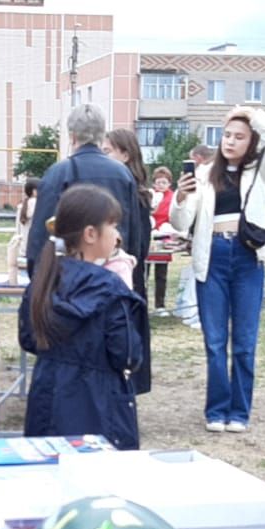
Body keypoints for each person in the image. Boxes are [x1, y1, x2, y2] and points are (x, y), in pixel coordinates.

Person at [170, 105, 265, 433]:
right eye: (226, 135)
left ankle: (240, 412)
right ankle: (216, 410)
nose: (230, 141)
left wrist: (248, 113)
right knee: (215, 340)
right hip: (214, 257)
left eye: (239, 136)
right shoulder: (205, 174)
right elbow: (180, 223)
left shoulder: (260, 171)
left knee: (246, 341)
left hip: (248, 257)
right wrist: (180, 197)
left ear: (251, 142)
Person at [27, 105, 150, 393]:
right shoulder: (122, 175)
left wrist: (39, 279)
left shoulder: (58, 173)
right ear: (101, 134)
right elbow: (134, 233)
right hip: (113, 278)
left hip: (68, 281)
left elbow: (40, 238)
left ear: (71, 135)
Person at [19, 184, 144, 450]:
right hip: (98, 403)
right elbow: (128, 354)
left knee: (48, 474)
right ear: (90, 233)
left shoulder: (43, 279)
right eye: (113, 226)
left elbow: (29, 339)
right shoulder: (111, 288)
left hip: (46, 395)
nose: (117, 235)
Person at [101, 128, 155, 387]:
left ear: (125, 154)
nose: (103, 157)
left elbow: (140, 245)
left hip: (127, 278)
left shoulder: (136, 195)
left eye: (107, 151)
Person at [150, 166, 176, 311]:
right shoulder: (149, 195)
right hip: (149, 235)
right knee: (144, 272)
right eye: (158, 182)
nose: (160, 185)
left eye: (164, 182)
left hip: (164, 236)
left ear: (169, 183)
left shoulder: (172, 197)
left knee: (161, 273)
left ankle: (160, 305)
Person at [6, 177, 39, 284]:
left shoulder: (22, 206)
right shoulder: (39, 204)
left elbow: (17, 229)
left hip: (22, 250)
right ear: (34, 191)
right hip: (35, 250)